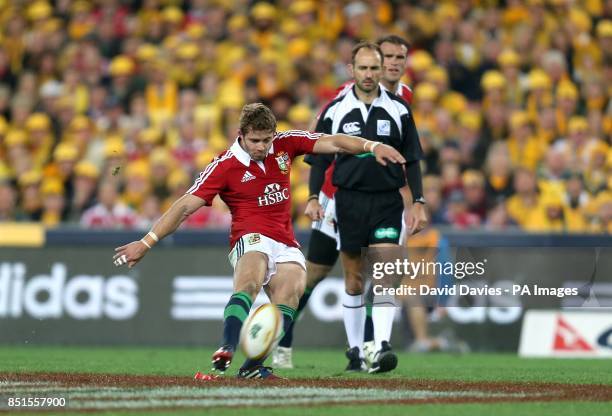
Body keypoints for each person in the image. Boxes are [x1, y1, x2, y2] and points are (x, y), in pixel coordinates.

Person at [113, 103, 405, 380]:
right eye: (254, 140)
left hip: (285, 240)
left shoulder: (286, 144)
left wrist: (371, 146)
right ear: (241, 135)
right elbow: (184, 206)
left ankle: (253, 366)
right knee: (251, 277)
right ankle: (226, 347)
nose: (262, 147)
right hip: (249, 237)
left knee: (293, 290)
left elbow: (335, 142)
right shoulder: (224, 166)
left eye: (266, 139)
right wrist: (146, 241)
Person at [273, 35, 417, 370]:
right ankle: (283, 338)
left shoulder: (403, 98)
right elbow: (319, 135)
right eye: (389, 57)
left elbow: (401, 150)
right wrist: (314, 193)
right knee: (317, 273)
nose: (395, 63)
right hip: (336, 196)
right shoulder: (346, 95)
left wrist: (410, 196)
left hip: (379, 197)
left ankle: (370, 349)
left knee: (382, 274)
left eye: (400, 58)